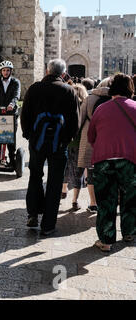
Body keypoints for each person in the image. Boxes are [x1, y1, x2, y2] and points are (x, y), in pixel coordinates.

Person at [20, 58, 79, 235]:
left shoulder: (34, 88)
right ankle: (48, 225)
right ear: (62, 73)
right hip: (59, 144)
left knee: (35, 176)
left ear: (47, 71)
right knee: (55, 182)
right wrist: (66, 139)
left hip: (37, 141)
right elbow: (74, 121)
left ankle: (32, 214)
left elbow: (25, 115)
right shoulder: (69, 91)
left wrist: (28, 135)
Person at [88, 73, 136, 252]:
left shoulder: (101, 108)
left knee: (106, 201)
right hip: (130, 160)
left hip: (104, 160)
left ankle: (106, 240)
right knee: (130, 198)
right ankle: (129, 232)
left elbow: (91, 136)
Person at [77, 77, 112, 214]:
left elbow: (80, 119)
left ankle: (93, 203)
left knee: (91, 171)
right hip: (108, 138)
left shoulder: (90, 98)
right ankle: (105, 202)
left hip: (90, 137)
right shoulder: (114, 99)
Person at [61, 83, 88, 212]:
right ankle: (74, 201)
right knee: (78, 173)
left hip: (67, 142)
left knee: (65, 168)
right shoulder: (85, 107)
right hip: (79, 143)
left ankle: (64, 189)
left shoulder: (66, 105)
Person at [0, 60, 21, 165]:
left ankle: (12, 157)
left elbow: (16, 95)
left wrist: (12, 104)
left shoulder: (15, 82)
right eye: (4, 70)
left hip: (11, 113)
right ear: (1, 71)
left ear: (11, 71)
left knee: (10, 135)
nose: (6, 72)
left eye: (8, 70)